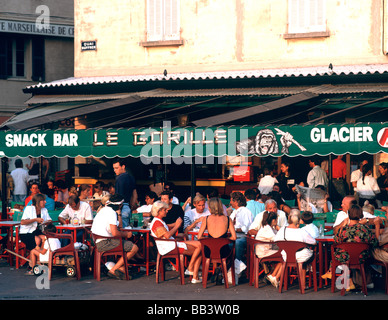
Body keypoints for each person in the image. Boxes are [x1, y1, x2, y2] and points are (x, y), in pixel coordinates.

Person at [326, 205, 379, 290]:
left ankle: (334, 273)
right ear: (361, 215)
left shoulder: (343, 230)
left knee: (336, 253)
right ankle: (365, 282)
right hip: (361, 258)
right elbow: (375, 243)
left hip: (345, 258)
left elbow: (336, 242)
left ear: (349, 215)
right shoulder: (365, 229)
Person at [150, 200, 202, 284]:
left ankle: (192, 271)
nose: (167, 211)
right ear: (159, 211)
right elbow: (166, 236)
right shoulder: (156, 222)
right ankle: (192, 271)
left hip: (172, 243)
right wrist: (177, 226)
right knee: (199, 248)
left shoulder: (159, 221)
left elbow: (165, 235)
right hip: (170, 247)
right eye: (164, 210)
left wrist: (176, 233)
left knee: (200, 245)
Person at [91, 193, 139, 280]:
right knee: (134, 248)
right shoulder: (111, 213)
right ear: (120, 205)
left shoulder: (104, 210)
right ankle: (114, 270)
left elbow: (119, 227)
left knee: (124, 267)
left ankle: (119, 268)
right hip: (105, 243)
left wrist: (119, 213)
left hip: (99, 241)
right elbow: (115, 233)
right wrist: (127, 234)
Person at [273, 209, 317, 288]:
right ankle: (303, 285)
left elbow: (276, 240)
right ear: (299, 220)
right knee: (306, 258)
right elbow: (314, 242)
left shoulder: (282, 230)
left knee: (299, 257)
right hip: (301, 257)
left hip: (286, 256)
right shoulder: (302, 232)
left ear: (289, 218)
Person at [19, 194, 52, 273]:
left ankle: (41, 259)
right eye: (43, 200)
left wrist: (45, 222)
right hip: (26, 232)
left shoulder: (44, 210)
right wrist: (35, 219)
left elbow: (50, 220)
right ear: (38, 202)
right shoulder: (29, 209)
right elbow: (22, 222)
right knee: (37, 240)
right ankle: (33, 265)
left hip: (36, 230)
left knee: (45, 238)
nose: (45, 202)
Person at [254, 211, 282, 287]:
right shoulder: (267, 229)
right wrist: (279, 229)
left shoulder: (268, 228)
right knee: (286, 255)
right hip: (263, 251)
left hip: (264, 249)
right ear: (273, 220)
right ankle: (275, 276)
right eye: (276, 220)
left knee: (285, 254)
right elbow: (277, 239)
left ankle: (273, 276)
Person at [229, 191, 253, 263]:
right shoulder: (234, 212)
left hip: (243, 237)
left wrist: (234, 229)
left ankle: (239, 264)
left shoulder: (246, 211)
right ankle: (228, 265)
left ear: (235, 201)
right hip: (234, 236)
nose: (230, 202)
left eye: (231, 200)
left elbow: (247, 228)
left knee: (238, 243)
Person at [113, 159, 136, 228]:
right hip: (127, 207)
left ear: (123, 167)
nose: (115, 170)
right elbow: (135, 194)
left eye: (117, 168)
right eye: (114, 168)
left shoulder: (119, 178)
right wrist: (131, 206)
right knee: (126, 230)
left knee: (120, 231)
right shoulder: (131, 177)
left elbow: (117, 196)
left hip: (120, 208)